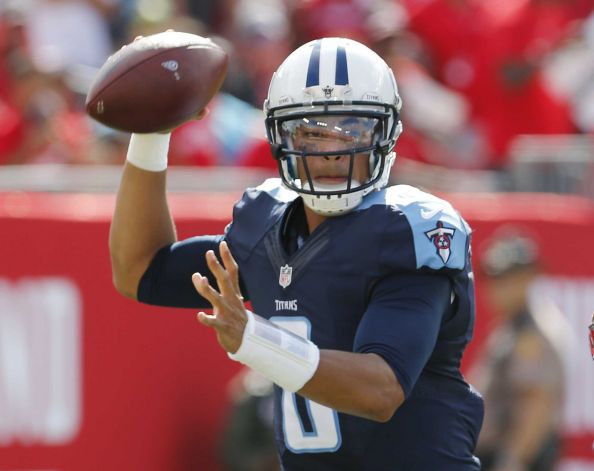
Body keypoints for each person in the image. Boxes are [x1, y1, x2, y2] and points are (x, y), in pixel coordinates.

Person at [109, 37, 484, 470]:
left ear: (386, 134)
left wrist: (254, 339)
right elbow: (139, 270)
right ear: (279, 136)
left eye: (352, 131)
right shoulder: (265, 225)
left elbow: (380, 391)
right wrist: (151, 134)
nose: (330, 152)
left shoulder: (406, 229)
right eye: (310, 133)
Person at [471, 228, 567, 471]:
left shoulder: (531, 334)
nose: (498, 287)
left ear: (529, 277)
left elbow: (535, 406)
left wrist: (511, 463)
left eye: (509, 277)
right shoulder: (510, 328)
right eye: (494, 278)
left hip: (512, 461)